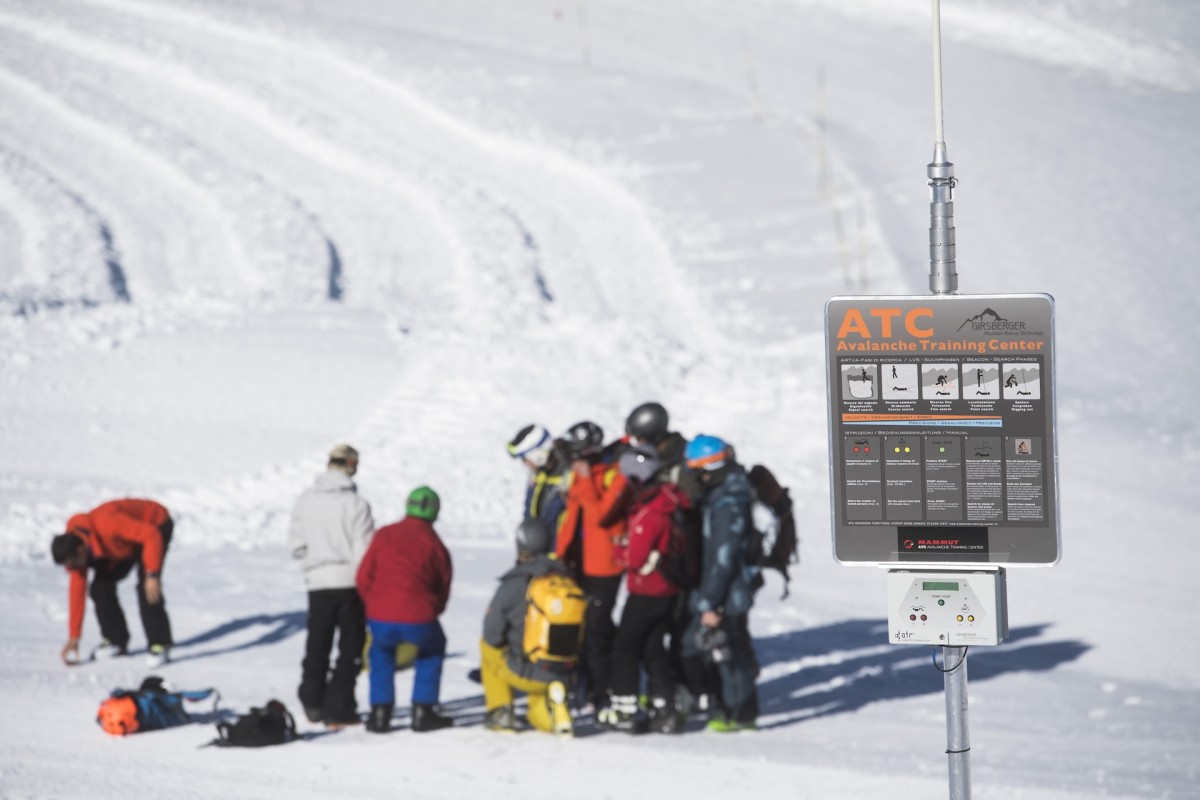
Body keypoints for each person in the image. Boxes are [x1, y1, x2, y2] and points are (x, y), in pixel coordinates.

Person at [288, 443, 376, 727]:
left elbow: (296, 544)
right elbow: (365, 550)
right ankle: (340, 709)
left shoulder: (305, 500)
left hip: (317, 581)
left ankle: (312, 702)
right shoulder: (356, 504)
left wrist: (313, 566)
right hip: (349, 583)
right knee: (350, 648)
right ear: (352, 465)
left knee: (317, 644)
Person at [602, 443, 687, 734]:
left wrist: (620, 553)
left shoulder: (649, 513)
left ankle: (624, 709)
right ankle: (664, 709)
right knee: (653, 649)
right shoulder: (669, 500)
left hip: (647, 591)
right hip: (667, 589)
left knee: (625, 647)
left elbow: (637, 557)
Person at [356, 485, 454, 733]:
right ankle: (423, 710)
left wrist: (374, 604)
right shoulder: (435, 544)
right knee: (432, 650)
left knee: (381, 654)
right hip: (420, 616)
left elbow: (364, 576)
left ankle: (380, 713)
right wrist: (433, 609)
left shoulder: (385, 535)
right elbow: (443, 585)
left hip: (381, 614)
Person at [682, 434, 761, 732]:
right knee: (728, 648)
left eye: (699, 472)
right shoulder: (725, 494)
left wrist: (710, 602)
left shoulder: (728, 503)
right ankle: (733, 709)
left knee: (727, 653)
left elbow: (724, 558)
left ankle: (737, 713)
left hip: (727, 594)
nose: (697, 478)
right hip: (726, 591)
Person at [553, 420, 629, 712]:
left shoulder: (615, 475)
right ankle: (583, 682)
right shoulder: (581, 476)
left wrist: (584, 479)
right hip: (576, 563)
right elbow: (572, 517)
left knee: (596, 629)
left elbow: (601, 514)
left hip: (603, 567)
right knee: (580, 626)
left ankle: (602, 691)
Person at [50, 498, 174, 667]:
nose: (72, 569)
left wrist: (152, 574)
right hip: (123, 545)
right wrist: (74, 637)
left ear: (80, 551)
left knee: (146, 586)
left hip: (155, 525)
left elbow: (151, 535)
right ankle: (116, 640)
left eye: (72, 564)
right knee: (100, 588)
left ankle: (160, 644)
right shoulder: (77, 545)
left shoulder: (108, 524)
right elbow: (77, 590)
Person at [480, 518, 576, 736]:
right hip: (563, 670)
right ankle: (554, 709)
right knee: (536, 709)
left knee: (487, 647)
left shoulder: (515, 583)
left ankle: (501, 712)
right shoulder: (564, 578)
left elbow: (492, 634)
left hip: (524, 669)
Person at [506, 423, 568, 545]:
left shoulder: (567, 473)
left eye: (525, 458)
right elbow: (529, 513)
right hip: (539, 552)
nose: (524, 463)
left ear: (537, 454)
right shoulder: (537, 476)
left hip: (561, 552)